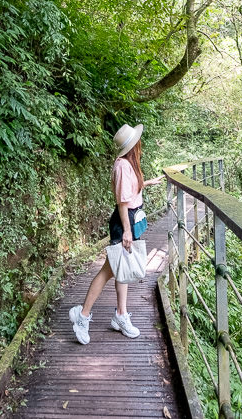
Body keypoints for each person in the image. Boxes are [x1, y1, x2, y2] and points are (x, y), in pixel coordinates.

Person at [69, 124, 163, 344]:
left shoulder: (129, 164)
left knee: (123, 268)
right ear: (132, 145)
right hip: (124, 222)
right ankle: (83, 316)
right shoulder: (121, 165)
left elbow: (130, 192)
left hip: (131, 217)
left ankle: (120, 314)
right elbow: (122, 202)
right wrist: (127, 232)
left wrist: (148, 182)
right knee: (108, 271)